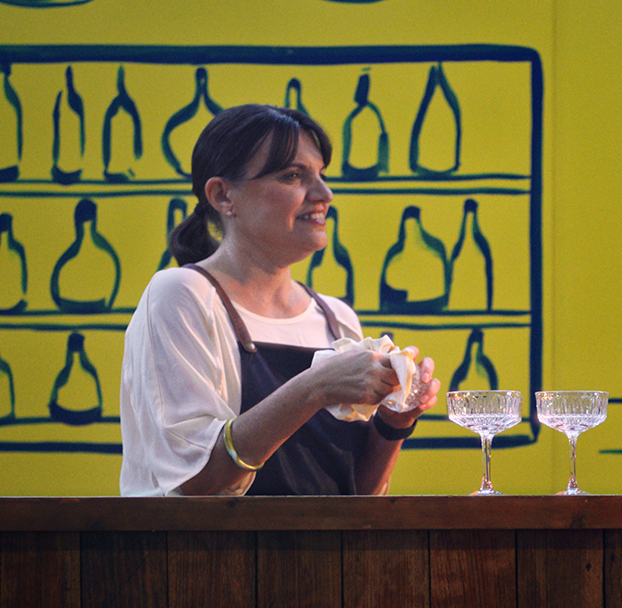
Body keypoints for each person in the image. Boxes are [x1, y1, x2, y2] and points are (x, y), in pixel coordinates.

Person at [120, 103, 440, 495]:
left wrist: (395, 420)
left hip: (332, 555)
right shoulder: (183, 295)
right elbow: (199, 480)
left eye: (321, 175)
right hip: (213, 556)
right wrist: (314, 387)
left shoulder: (336, 318)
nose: (325, 193)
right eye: (293, 176)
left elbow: (357, 491)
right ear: (223, 196)